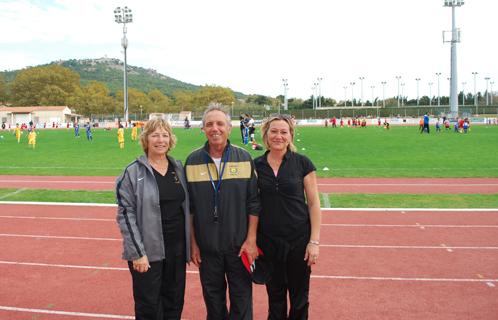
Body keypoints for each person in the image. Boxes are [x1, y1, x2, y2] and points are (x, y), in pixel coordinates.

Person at [185, 106, 260, 320]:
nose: (215, 129)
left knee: (242, 304)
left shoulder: (244, 157)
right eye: (209, 124)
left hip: (239, 247)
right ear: (203, 129)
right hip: (207, 250)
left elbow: (254, 203)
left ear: (229, 128)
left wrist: (251, 240)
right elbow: (189, 208)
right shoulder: (192, 161)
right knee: (214, 305)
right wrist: (194, 243)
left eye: (220, 124)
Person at [116, 118, 191, 320]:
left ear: (171, 140)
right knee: (149, 307)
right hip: (147, 252)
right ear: (146, 139)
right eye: (155, 135)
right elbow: (126, 214)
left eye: (165, 135)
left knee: (174, 303)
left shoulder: (178, 168)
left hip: (176, 250)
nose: (160, 140)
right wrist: (138, 253)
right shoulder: (132, 172)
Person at [254, 114, 321, 320]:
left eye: (284, 132)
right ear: (266, 135)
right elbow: (252, 205)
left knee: (300, 297)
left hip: (298, 241)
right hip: (268, 242)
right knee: (275, 297)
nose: (278, 136)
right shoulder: (255, 166)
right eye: (274, 131)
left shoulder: (302, 163)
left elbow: (314, 203)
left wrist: (314, 241)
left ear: (291, 135)